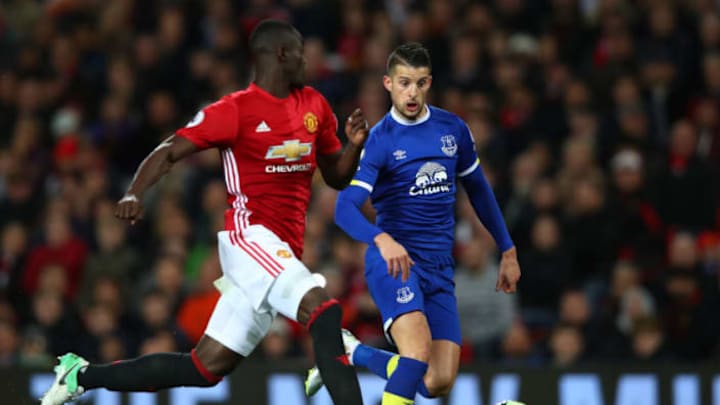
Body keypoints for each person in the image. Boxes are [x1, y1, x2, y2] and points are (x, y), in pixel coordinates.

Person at [41, 20, 366, 405]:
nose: (309, 58)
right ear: (281, 54)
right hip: (250, 238)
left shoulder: (314, 105)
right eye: (301, 51)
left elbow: (337, 176)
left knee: (204, 368)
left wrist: (354, 146)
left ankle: (81, 374)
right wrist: (133, 193)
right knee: (324, 312)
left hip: (281, 252)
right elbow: (169, 150)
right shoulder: (234, 110)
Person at [306, 42, 521, 404]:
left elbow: (480, 191)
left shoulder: (452, 130)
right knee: (416, 355)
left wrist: (507, 248)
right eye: (404, 82)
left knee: (437, 381)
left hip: (438, 265)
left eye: (420, 83)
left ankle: (350, 351)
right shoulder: (379, 141)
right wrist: (381, 239)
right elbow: (344, 208)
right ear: (387, 83)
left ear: (429, 83)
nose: (412, 92)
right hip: (395, 262)